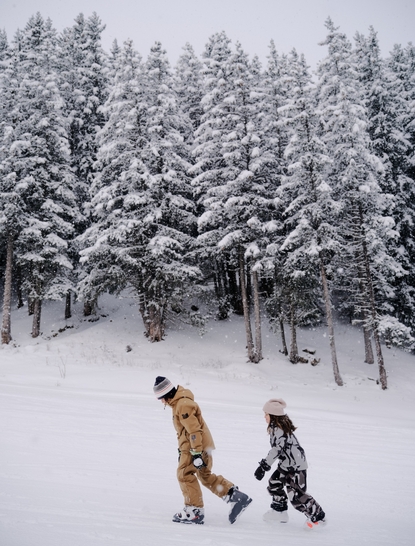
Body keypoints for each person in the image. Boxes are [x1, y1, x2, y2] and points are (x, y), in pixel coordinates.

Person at [153, 376, 252, 525]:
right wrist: (182, 450)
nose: (161, 401)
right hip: (200, 447)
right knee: (204, 475)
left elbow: (194, 431)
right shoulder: (180, 403)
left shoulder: (182, 405)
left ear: (166, 395)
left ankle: (194, 511)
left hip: (195, 448)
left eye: (161, 398)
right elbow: (183, 432)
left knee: (184, 474)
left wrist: (196, 452)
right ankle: (236, 496)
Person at [254, 398, 326, 530]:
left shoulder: (280, 431)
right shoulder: (276, 429)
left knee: (297, 495)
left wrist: (263, 466)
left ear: (273, 416)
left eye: (266, 414)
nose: (264, 417)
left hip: (296, 467)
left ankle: (318, 518)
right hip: (286, 464)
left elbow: (276, 449)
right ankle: (279, 511)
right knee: (274, 483)